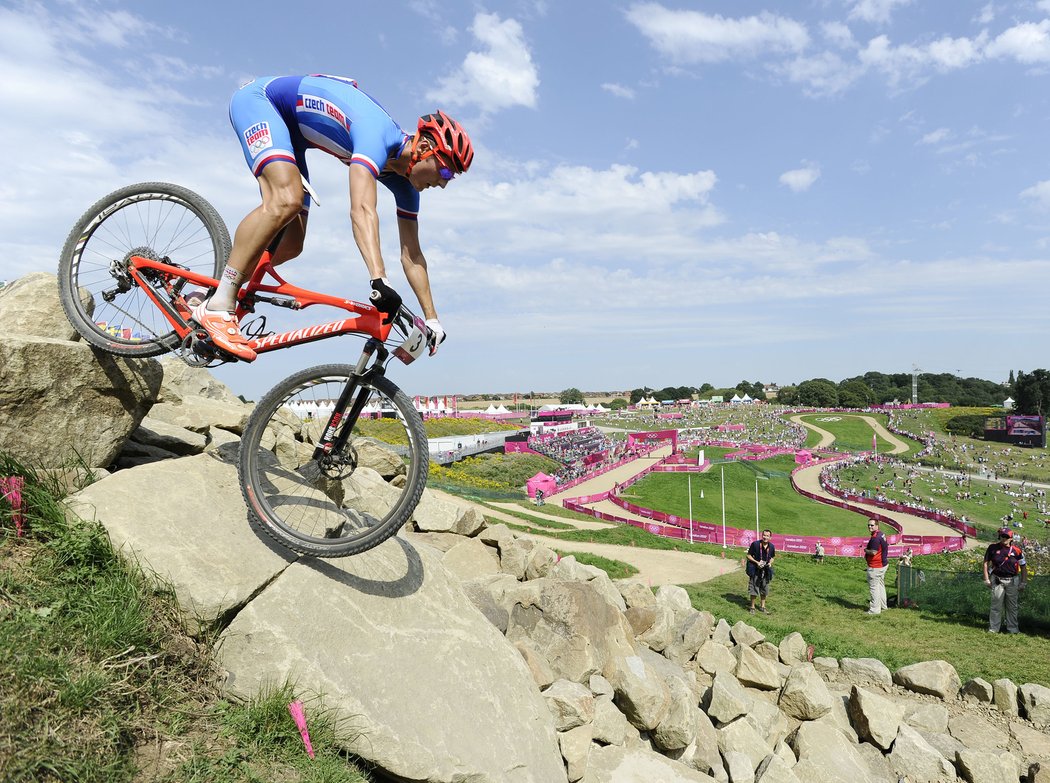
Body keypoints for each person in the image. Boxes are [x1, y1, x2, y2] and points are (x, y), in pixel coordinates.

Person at [194, 74, 474, 361]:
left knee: (292, 244)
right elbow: (363, 210)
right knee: (285, 200)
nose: (444, 182)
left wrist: (432, 319)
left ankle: (207, 295)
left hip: (294, 133)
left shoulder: (407, 187)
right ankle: (220, 302)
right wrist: (379, 279)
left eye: (451, 177)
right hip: (260, 102)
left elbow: (412, 255)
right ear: (425, 149)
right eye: (445, 171)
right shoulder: (376, 135)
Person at [983, 527, 1028, 634]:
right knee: (996, 606)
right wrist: (986, 579)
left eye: (1006, 536)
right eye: (1002, 536)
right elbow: (985, 563)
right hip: (997, 580)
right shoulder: (992, 548)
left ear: (1011, 538)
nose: (1004, 538)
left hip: (1012, 581)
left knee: (1012, 607)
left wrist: (1023, 582)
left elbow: (1024, 567)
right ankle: (993, 629)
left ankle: (1013, 629)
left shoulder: (1017, 551)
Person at [746, 529, 776, 614]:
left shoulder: (772, 546)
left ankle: (763, 607)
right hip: (755, 569)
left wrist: (770, 563)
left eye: (767, 536)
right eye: (764, 535)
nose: (765, 537)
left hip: (766, 570)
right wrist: (756, 562)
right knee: (754, 587)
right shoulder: (755, 544)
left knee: (764, 589)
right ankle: (752, 607)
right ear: (761, 535)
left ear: (770, 537)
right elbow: (748, 555)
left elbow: (772, 557)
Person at [864, 520, 889, 615]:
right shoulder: (881, 534)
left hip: (876, 566)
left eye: (872, 525)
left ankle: (875, 610)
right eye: (868, 525)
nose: (870, 527)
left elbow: (873, 552)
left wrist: (865, 550)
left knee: (874, 587)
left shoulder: (875, 538)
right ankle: (883, 606)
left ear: (877, 526)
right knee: (880, 585)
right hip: (883, 564)